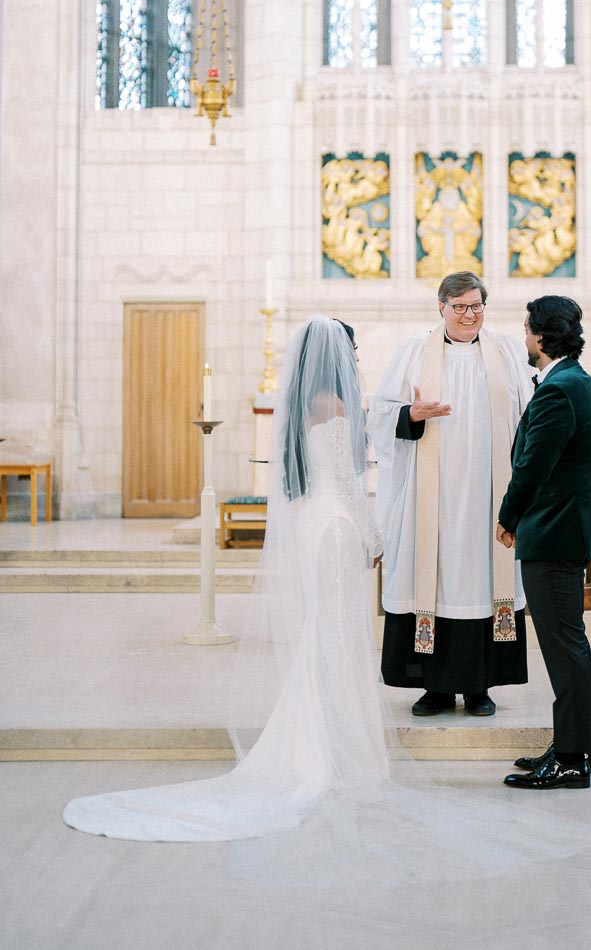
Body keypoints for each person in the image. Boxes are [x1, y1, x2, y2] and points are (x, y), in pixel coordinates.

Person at [63, 316, 391, 841]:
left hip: (313, 524)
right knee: (336, 636)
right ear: (336, 356)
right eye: (351, 349)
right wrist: (375, 536)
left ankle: (317, 742)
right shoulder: (336, 406)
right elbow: (351, 482)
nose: (354, 358)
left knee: (322, 634)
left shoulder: (302, 408)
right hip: (336, 528)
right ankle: (333, 749)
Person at [370, 271, 533, 717]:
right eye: (459, 306)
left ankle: (479, 687)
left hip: (488, 492)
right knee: (433, 582)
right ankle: (434, 688)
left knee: (485, 579)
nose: (469, 315)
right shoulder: (412, 353)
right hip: (432, 497)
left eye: (476, 306)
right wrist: (411, 415)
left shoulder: (505, 352)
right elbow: (380, 416)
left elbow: (528, 416)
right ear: (440, 307)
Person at [496, 295, 591, 790]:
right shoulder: (573, 382)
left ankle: (570, 758)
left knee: (563, 647)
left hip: (553, 533)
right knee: (567, 644)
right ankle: (574, 745)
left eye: (527, 329)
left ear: (542, 335)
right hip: (563, 530)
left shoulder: (559, 391)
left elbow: (532, 467)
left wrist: (507, 517)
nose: (524, 337)